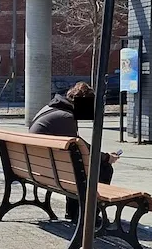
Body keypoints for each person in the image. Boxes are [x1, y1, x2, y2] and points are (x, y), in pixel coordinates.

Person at [29, 82, 114, 221]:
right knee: (103, 169)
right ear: (83, 103)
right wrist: (105, 158)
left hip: (39, 166)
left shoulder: (51, 108)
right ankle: (88, 215)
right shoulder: (65, 117)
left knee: (75, 167)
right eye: (90, 106)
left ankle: (74, 212)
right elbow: (79, 147)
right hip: (51, 170)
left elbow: (76, 144)